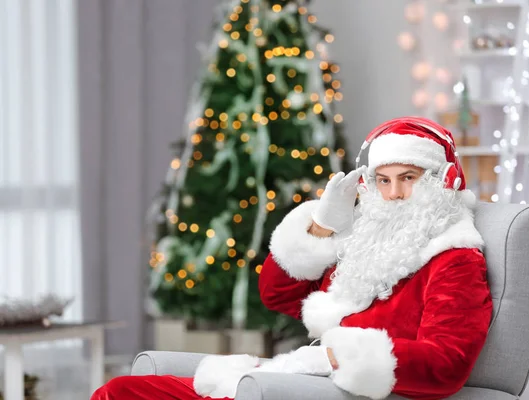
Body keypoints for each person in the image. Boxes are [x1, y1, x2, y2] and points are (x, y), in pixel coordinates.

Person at [92, 116, 493, 400]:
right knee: (120, 392)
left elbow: (447, 363)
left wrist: (339, 356)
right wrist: (322, 227)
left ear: (442, 181)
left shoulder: (453, 259)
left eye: (408, 178)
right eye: (383, 181)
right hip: (299, 376)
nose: (392, 194)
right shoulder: (370, 242)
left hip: (331, 388)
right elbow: (279, 296)